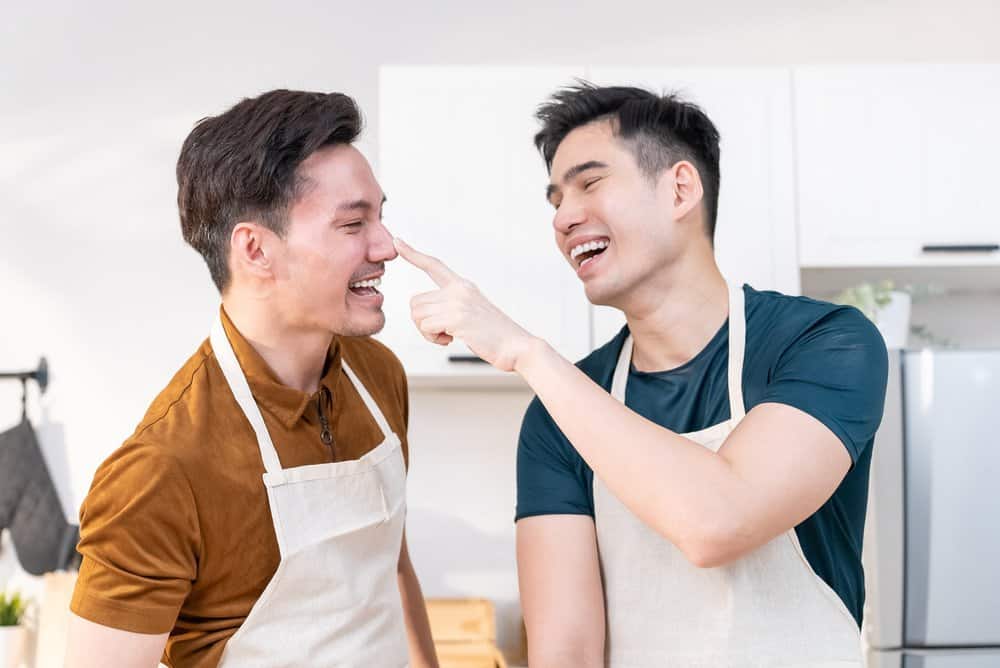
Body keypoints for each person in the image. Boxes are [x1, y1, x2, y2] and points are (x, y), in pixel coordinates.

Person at [394, 83, 888, 667]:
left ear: (680, 188)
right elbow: (567, 652)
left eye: (590, 182)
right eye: (555, 199)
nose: (564, 217)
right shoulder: (559, 415)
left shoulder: (822, 343)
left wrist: (528, 353)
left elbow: (719, 521)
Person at [66, 89, 438, 668]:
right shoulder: (160, 469)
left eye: (380, 216)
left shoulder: (378, 375)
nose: (386, 246)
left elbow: (390, 562)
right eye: (352, 224)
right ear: (256, 250)